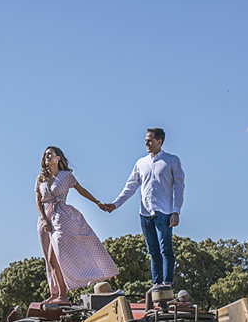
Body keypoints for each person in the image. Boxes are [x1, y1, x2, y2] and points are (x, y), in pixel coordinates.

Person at [100, 128, 184, 287]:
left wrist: (176, 211)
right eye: (145, 140)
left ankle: (167, 284)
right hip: (145, 213)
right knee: (153, 252)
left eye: (150, 140)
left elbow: (178, 188)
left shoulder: (172, 160)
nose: (146, 143)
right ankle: (156, 285)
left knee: (165, 249)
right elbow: (130, 187)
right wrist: (115, 204)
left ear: (159, 142)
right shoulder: (141, 162)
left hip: (164, 212)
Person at [36, 146, 119, 304]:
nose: (46, 157)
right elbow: (38, 201)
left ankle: (63, 295)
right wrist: (43, 219)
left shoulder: (66, 176)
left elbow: (81, 190)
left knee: (56, 255)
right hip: (44, 220)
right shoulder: (41, 178)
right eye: (45, 155)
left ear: (58, 158)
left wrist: (98, 203)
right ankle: (56, 293)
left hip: (61, 216)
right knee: (49, 259)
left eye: (50, 154)